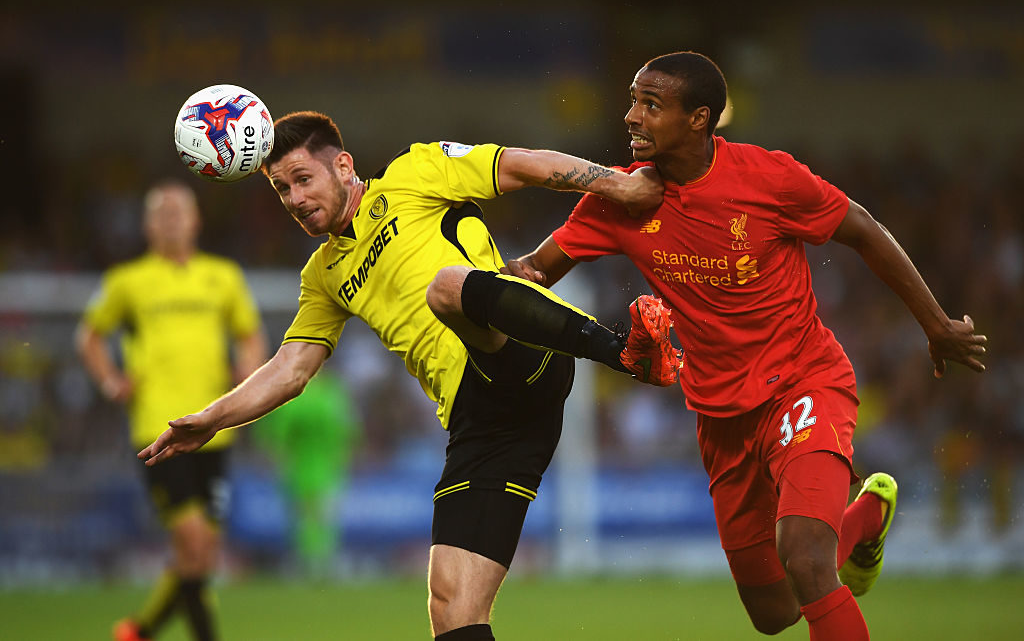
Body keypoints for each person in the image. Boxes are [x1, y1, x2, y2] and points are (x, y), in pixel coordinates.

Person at [136, 110, 680, 641]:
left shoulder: (415, 172)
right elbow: (292, 368)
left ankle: (623, 352)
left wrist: (619, 187)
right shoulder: (323, 275)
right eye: (282, 190)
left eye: (302, 179)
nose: (295, 199)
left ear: (344, 167)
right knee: (451, 606)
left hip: (522, 352)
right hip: (481, 418)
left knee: (445, 288)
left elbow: (523, 164)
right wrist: (213, 416)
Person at [498, 51, 988, 640]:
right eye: (633, 101)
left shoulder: (768, 178)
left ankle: (837, 542)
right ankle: (864, 521)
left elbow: (862, 229)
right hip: (721, 415)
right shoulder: (620, 200)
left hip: (803, 383)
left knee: (805, 559)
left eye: (651, 105)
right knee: (774, 613)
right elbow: (535, 272)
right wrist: (465, 281)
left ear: (699, 119)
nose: (631, 116)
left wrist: (935, 323)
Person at [76, 181, 268, 641]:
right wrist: (110, 380)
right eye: (160, 213)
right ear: (146, 226)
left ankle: (139, 631)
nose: (170, 220)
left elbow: (249, 333)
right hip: (157, 430)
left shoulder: (222, 276)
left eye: (178, 212)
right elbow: (90, 335)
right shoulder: (127, 281)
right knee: (195, 543)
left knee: (199, 556)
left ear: (196, 220)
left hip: (214, 429)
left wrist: (247, 368)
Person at [251, 368, 359, 578]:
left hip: (297, 467)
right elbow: (347, 432)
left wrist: (274, 457)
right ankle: (324, 564)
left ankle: (303, 563)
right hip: (328, 468)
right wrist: (346, 457)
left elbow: (275, 434)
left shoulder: (293, 396)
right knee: (324, 518)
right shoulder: (332, 396)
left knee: (302, 518)